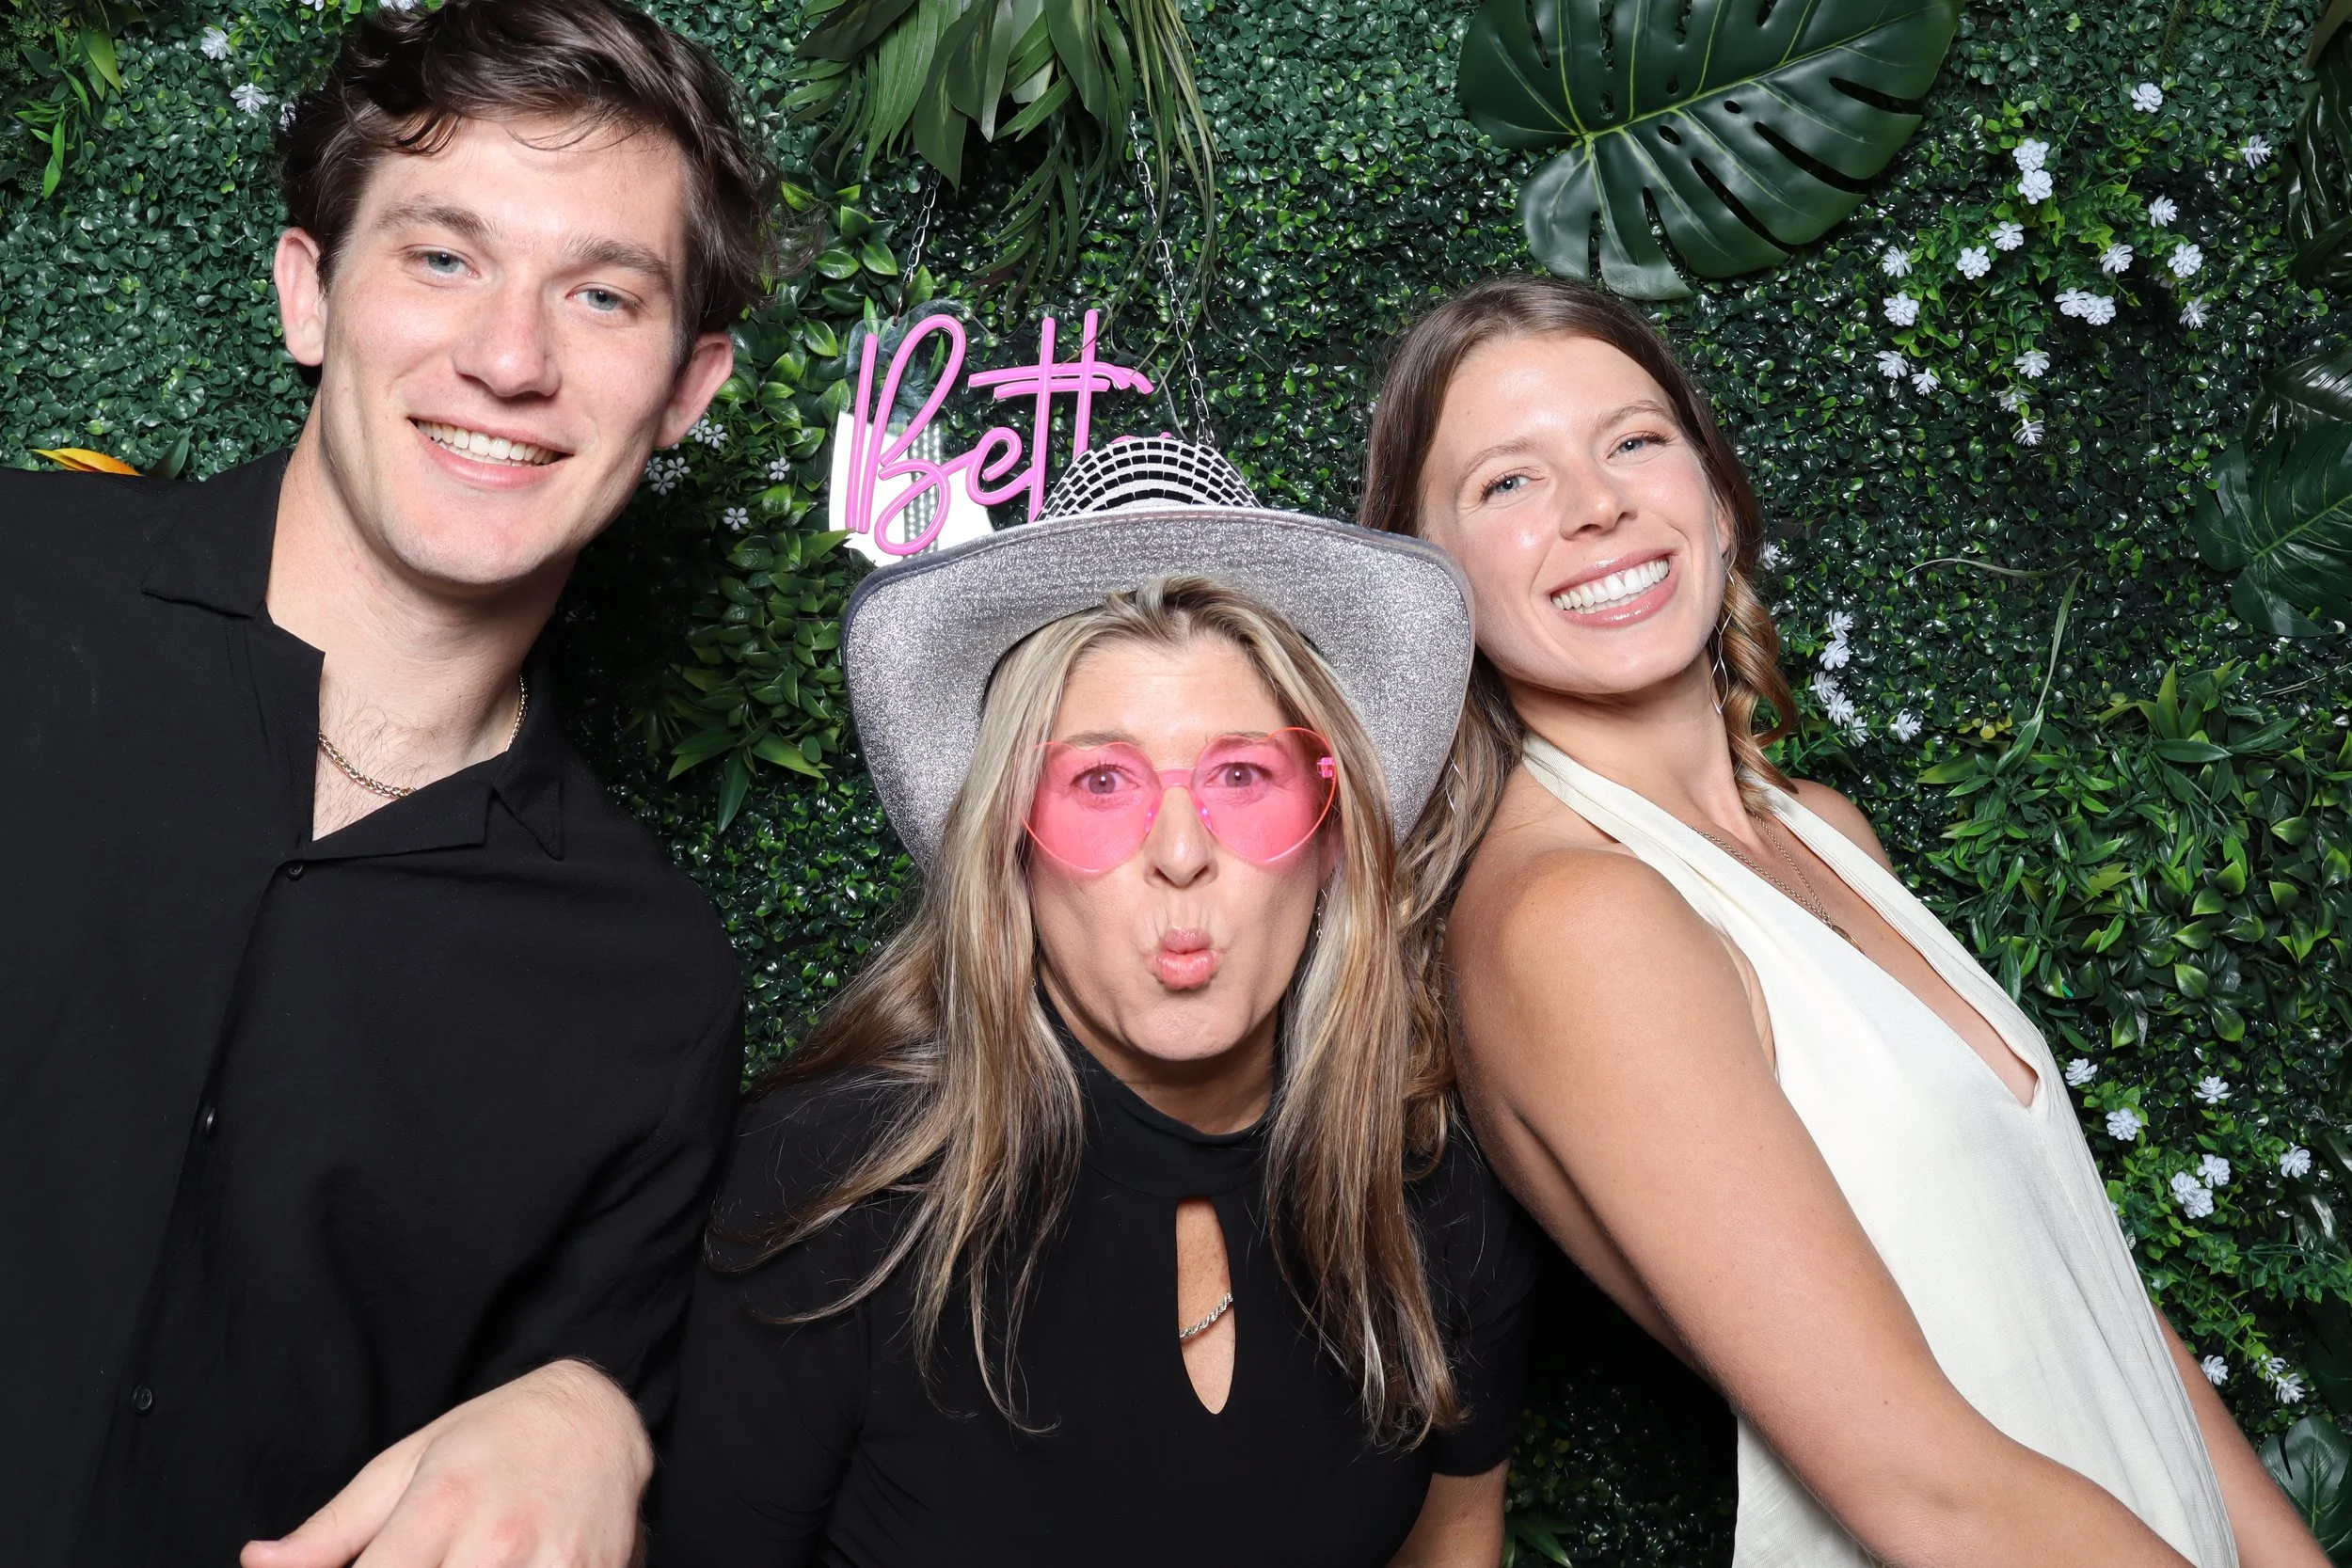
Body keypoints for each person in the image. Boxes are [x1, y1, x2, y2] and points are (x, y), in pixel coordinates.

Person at [1359, 275, 2325, 1567]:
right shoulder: (1574, 915)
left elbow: (2090, 1303)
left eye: (1635, 440)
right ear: (1435, 584)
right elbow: (1917, 1484)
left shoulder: (1816, 826)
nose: (1598, 504)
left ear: (1711, 482)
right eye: (1508, 484)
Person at [0, 3, 774, 1563]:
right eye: (440, 255)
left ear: (684, 394)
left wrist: (593, 1411)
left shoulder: (651, 988)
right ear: (308, 294)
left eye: (602, 293)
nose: (508, 357)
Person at [649, 442, 1543, 1567]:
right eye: (1099, 782)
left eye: (1242, 776)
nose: (1179, 853)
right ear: (1007, 850)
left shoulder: (1432, 1180)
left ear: (1330, 840)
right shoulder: (834, 1191)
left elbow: (1454, 1543)